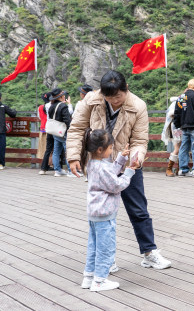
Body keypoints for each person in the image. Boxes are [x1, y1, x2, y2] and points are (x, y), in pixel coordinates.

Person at [67, 70, 172, 270]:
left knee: (139, 209)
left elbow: (140, 141)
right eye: (109, 97)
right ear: (102, 94)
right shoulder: (91, 100)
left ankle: (149, 252)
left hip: (127, 164)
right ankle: (106, 259)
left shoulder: (138, 106)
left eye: (118, 96)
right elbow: (77, 128)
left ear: (126, 90)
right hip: (99, 164)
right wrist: (73, 157)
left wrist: (136, 159)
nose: (114, 101)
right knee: (102, 213)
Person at [80, 129, 139, 292]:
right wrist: (129, 171)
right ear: (100, 149)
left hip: (94, 214)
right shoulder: (102, 167)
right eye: (111, 148)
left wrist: (121, 158)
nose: (112, 151)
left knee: (93, 246)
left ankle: (89, 277)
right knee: (106, 248)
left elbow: (109, 174)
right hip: (105, 215)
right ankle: (100, 281)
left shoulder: (92, 163)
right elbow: (116, 185)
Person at [49, 88, 73, 177]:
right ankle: (71, 171)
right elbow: (67, 119)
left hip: (55, 131)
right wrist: (71, 129)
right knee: (68, 151)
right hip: (63, 131)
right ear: (61, 97)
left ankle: (57, 170)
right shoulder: (63, 106)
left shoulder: (52, 106)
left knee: (56, 151)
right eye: (63, 95)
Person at [161, 96, 181, 177]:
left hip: (178, 128)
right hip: (176, 128)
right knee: (178, 148)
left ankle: (178, 169)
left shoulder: (177, 103)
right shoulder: (177, 103)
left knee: (181, 149)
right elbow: (172, 115)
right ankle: (169, 169)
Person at [0, 92, 17, 170]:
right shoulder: (3, 107)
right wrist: (15, 110)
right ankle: (1, 164)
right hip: (1, 130)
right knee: (1, 148)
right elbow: (13, 114)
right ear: (0, 98)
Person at [37, 92, 51, 174]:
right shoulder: (51, 106)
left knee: (43, 148)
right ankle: (50, 164)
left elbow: (39, 117)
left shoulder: (40, 107)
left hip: (42, 129)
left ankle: (44, 165)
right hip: (50, 129)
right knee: (50, 148)